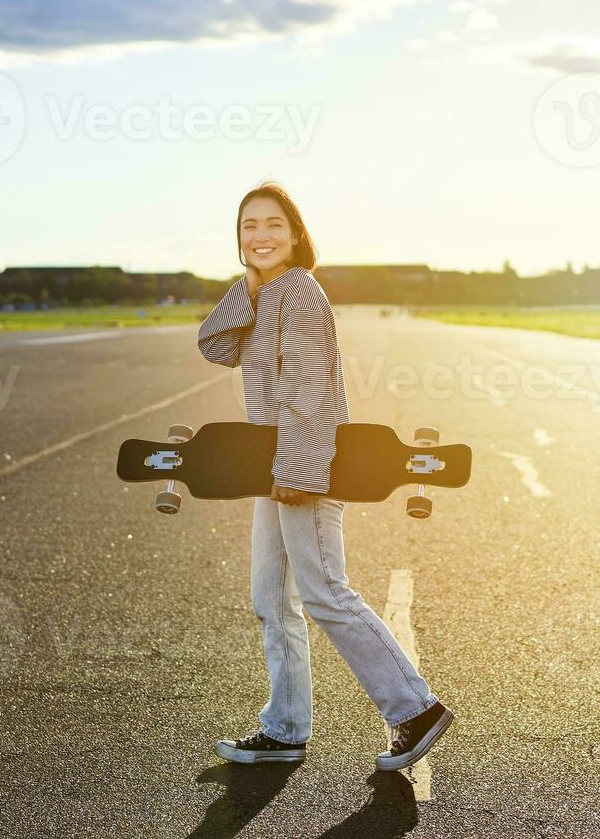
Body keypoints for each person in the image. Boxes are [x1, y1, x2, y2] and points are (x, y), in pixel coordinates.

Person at [196, 181, 454, 772]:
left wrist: (303, 470)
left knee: (325, 593)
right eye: (248, 227)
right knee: (270, 598)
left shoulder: (303, 296)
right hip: (274, 465)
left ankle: (415, 709)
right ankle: (285, 727)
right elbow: (214, 344)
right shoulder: (267, 296)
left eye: (272, 226)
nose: (259, 236)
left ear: (296, 234)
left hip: (302, 463)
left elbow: (313, 393)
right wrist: (252, 287)